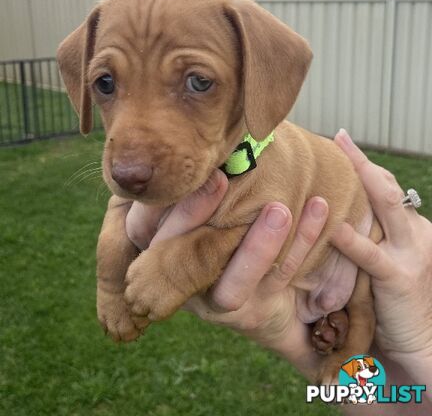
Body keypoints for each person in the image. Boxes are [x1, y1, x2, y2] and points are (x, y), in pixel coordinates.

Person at [126, 129, 432, 412]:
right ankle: (343, 326)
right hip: (309, 282)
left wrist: (422, 342)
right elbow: (395, 401)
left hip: (350, 265)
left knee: (365, 261)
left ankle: (353, 331)